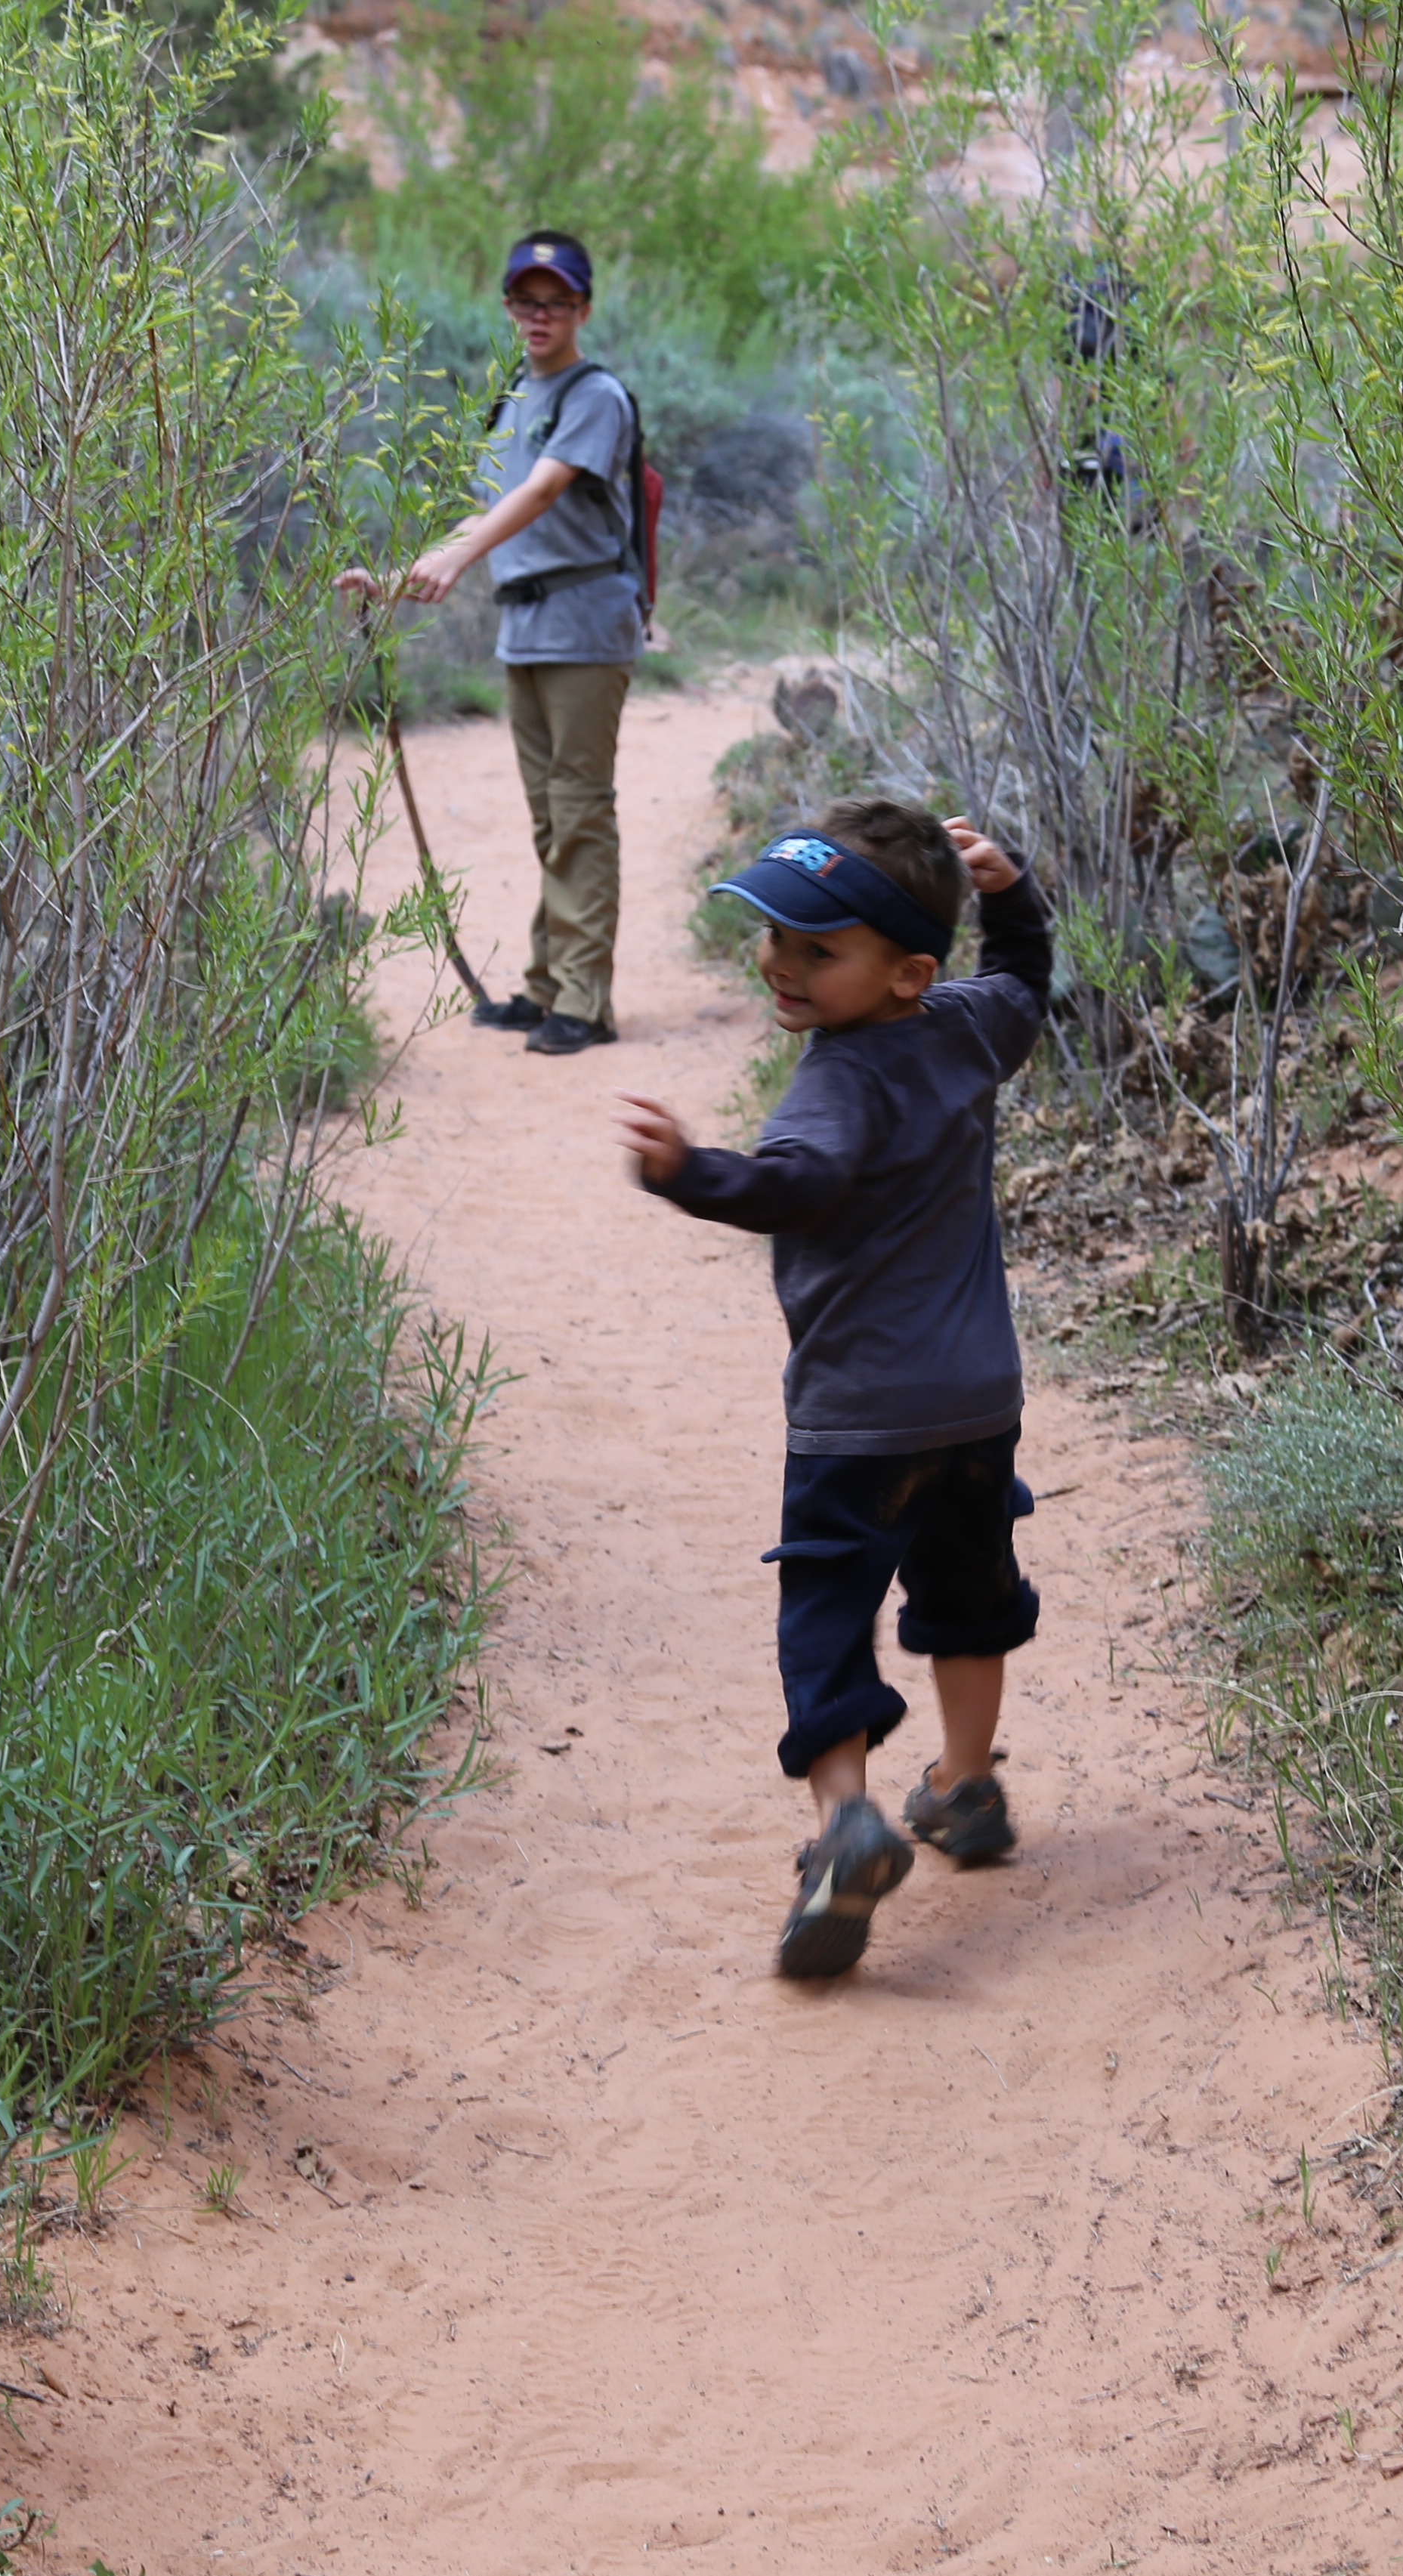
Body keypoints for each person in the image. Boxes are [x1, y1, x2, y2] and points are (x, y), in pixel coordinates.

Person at [612, 802, 1054, 1980]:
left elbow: (793, 1188)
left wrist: (686, 1173)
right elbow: (1024, 977)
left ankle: (844, 1825)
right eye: (774, 937)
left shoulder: (836, 1082)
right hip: (977, 1401)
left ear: (907, 970)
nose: (781, 965)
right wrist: (1008, 894)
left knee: (824, 1618)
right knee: (968, 1592)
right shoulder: (967, 1029)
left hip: (858, 1419)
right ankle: (966, 1788)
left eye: (819, 949)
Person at [367, 229, 644, 1057]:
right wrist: (403, 572)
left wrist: (461, 557)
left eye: (557, 301)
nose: (540, 315)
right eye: (527, 300)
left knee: (579, 812)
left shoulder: (595, 396)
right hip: (527, 627)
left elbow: (541, 492)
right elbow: (488, 512)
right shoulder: (512, 398)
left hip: (586, 624)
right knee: (549, 816)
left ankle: (586, 1002)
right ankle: (548, 985)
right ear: (509, 306)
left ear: (583, 309)